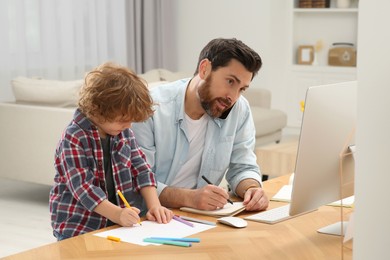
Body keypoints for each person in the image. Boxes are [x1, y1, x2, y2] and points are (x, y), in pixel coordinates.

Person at [132, 38, 269, 212]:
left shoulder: (239, 109)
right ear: (204, 69)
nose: (233, 97)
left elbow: (243, 166)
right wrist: (190, 198)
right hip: (149, 218)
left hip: (201, 217)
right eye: (230, 82)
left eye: (242, 89)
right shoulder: (149, 107)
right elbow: (137, 180)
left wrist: (252, 189)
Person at [49, 62, 173, 241]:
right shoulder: (74, 137)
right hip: (78, 226)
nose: (129, 125)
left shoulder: (123, 132)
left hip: (117, 224)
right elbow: (83, 188)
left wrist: (155, 205)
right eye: (123, 119)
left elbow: (141, 169)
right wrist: (117, 214)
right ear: (98, 109)